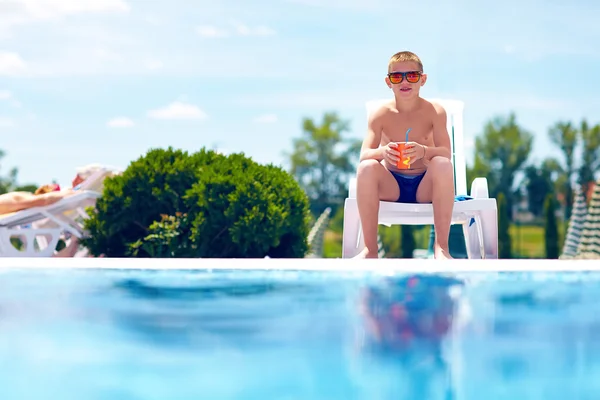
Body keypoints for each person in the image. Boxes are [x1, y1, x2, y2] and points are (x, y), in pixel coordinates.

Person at [355, 50, 455, 259]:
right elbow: (364, 155)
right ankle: (370, 250)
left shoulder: (435, 112)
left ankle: (441, 248)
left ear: (422, 79)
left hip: (424, 187)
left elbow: (446, 153)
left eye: (411, 75)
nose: (404, 81)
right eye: (397, 76)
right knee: (366, 168)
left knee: (442, 164)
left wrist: (424, 151)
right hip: (392, 187)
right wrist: (383, 152)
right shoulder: (381, 115)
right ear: (388, 82)